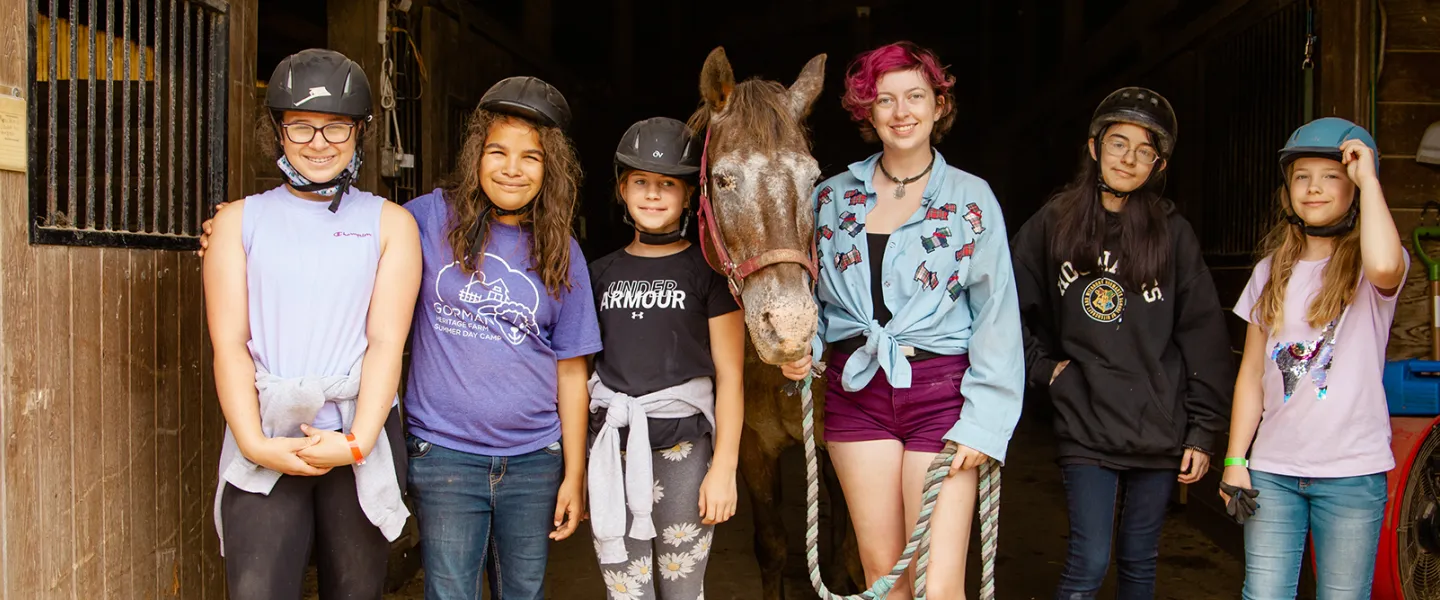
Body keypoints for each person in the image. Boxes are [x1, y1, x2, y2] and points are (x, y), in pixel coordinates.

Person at [780, 41, 1025, 600]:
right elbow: (815, 297)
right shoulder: (829, 198)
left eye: (916, 95)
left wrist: (986, 421)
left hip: (942, 394)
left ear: (939, 105)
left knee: (939, 585)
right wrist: (805, 347)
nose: (901, 111)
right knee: (884, 577)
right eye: (884, 99)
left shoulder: (972, 199)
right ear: (866, 111)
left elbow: (997, 315)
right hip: (856, 392)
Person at [204, 48, 421, 599]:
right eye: (300, 126)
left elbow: (384, 344)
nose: (318, 143)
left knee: (356, 590)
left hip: (356, 429)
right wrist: (254, 444)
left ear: (360, 132)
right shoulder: (237, 221)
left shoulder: (390, 224)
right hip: (268, 427)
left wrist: (356, 442)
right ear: (278, 129)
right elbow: (229, 344)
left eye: (335, 127)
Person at [1010, 87, 1233, 600]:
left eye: (1144, 150)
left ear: (1158, 164)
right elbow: (1001, 307)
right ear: (1094, 147)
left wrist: (1202, 431)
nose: (1129, 158)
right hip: (1085, 419)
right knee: (1088, 563)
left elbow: (1202, 332)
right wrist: (1044, 370)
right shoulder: (1052, 224)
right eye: (1118, 143)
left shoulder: (1173, 234)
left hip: (1157, 425)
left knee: (1138, 562)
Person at [398, 76, 599, 600]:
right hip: (444, 454)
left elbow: (572, 373)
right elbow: (346, 233)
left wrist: (573, 472)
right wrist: (236, 229)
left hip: (535, 460)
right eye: (498, 152)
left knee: (523, 593)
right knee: (449, 593)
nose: (512, 168)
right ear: (475, 156)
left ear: (549, 168)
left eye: (530, 157)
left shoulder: (562, 251)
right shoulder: (425, 219)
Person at [1223, 117, 1406, 599]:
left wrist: (1369, 178)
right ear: (1288, 191)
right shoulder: (1269, 271)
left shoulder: (1371, 269)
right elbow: (1252, 374)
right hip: (1273, 471)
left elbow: (1386, 265)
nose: (1314, 188)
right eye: (1301, 176)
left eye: (1331, 176)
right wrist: (1235, 458)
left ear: (1354, 190)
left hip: (1351, 472)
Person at [586, 117, 746, 599]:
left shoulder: (710, 274)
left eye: (666, 185)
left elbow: (731, 377)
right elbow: (578, 375)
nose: (653, 195)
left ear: (688, 196)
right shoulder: (599, 273)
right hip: (613, 451)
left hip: (685, 455)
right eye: (640, 183)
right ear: (622, 188)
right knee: (626, 592)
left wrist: (724, 469)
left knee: (682, 590)